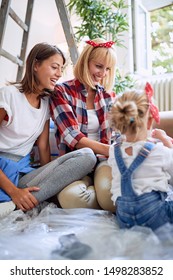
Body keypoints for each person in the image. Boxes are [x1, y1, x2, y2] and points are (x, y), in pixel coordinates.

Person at [0, 42, 97, 219]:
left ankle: (14, 207)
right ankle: (17, 201)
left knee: (87, 156)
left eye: (61, 69)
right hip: (3, 175)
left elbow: (43, 147)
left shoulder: (45, 103)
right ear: (36, 65)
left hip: (23, 173)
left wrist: (47, 179)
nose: (59, 74)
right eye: (54, 67)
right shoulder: (8, 95)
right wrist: (14, 191)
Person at [50, 38, 117, 211]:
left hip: (103, 161)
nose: (102, 73)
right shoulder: (61, 91)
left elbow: (117, 134)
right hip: (76, 161)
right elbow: (74, 137)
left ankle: (99, 195)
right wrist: (110, 150)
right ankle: (96, 195)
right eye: (99, 66)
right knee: (69, 199)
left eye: (107, 69)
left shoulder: (109, 97)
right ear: (86, 62)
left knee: (110, 198)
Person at [108, 82, 173, 230]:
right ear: (150, 121)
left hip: (124, 217)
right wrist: (165, 141)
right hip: (154, 214)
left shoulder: (113, 150)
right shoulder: (159, 150)